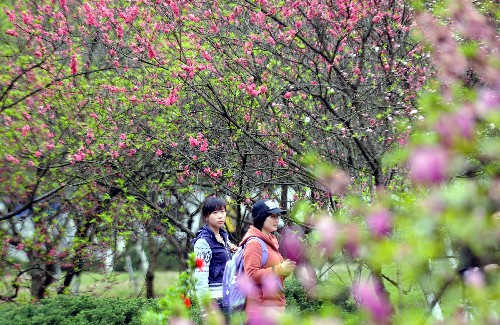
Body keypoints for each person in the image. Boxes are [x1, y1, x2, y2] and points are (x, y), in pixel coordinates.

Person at [240, 198, 297, 322]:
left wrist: (285, 270)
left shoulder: (271, 241)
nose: (276, 220)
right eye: (272, 216)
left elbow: (274, 275)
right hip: (260, 310)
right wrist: (279, 269)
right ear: (261, 218)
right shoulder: (254, 243)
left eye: (277, 216)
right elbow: (251, 275)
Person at [192, 196, 237, 321]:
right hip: (215, 301)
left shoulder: (223, 237)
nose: (220, 216)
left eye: (222, 211)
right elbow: (200, 277)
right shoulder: (203, 242)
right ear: (206, 216)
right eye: (215, 212)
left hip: (228, 298)